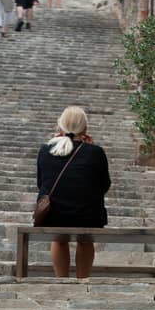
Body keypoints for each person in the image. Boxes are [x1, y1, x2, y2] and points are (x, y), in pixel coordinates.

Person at [35, 105, 111, 280]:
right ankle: (82, 280)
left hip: (53, 214)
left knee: (59, 238)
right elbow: (104, 185)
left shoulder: (45, 150)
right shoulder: (96, 152)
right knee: (85, 239)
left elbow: (41, 184)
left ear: (60, 126)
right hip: (88, 215)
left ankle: (62, 280)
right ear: (85, 128)